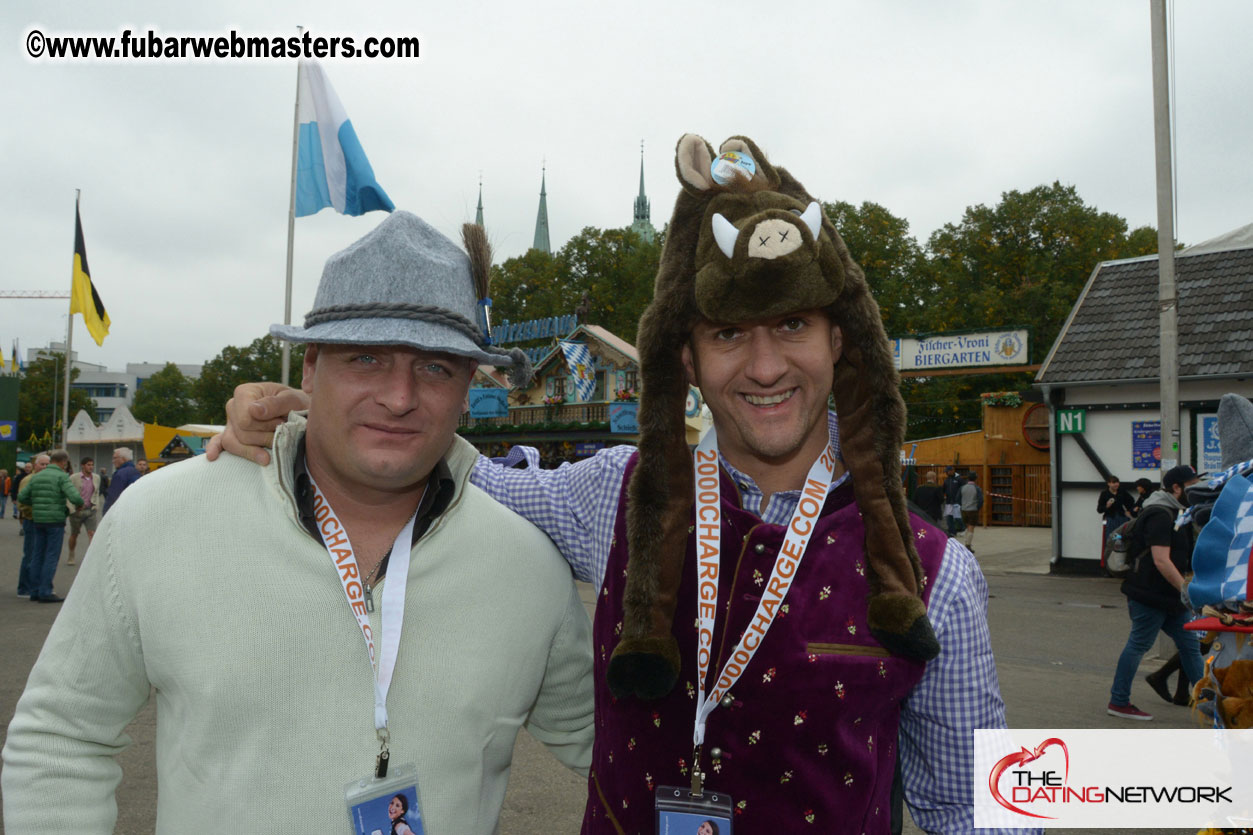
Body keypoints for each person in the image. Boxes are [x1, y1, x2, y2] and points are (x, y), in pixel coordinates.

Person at [212, 136, 1024, 834]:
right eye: (728, 333)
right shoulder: (610, 493)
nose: (766, 365)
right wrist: (297, 419)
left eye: (791, 325)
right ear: (686, 356)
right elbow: (430, 457)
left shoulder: (937, 572)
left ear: (836, 337)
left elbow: (979, 810)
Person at [1, 211, 594, 833]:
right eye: (366, 358)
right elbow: (62, 737)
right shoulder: (161, 519)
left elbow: (613, 749)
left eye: (435, 367)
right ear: (310, 369)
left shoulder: (527, 566)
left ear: (470, 385)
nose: (399, 396)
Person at [1107, 464, 1204, 720]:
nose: (1198, 490)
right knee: (1139, 645)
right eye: (1193, 486)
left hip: (1169, 597)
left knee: (1190, 647)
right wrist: (1185, 589)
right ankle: (1118, 701)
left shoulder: (1179, 512)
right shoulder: (1161, 514)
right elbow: (1161, 560)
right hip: (1149, 594)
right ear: (1176, 488)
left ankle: (1211, 703)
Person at [16, 449, 83, 603]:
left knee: (37, 555)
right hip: (55, 521)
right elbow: (75, 497)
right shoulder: (61, 476)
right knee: (51, 556)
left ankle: (34, 590)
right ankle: (45, 591)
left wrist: (37, 504)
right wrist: (78, 505)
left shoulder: (36, 477)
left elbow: (22, 497)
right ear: (63, 462)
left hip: (38, 520)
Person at [14, 457, 46, 596]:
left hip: (44, 521)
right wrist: (32, 513)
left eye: (47, 464)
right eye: (42, 464)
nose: (44, 466)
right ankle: (24, 587)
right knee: (30, 554)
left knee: (40, 554)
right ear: (35, 465)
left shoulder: (46, 479)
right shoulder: (28, 480)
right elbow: (21, 502)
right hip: (31, 520)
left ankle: (37, 585)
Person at [66, 456, 101, 566]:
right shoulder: (74, 477)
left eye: (92, 465)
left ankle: (90, 558)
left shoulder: (96, 477)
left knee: (92, 534)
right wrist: (71, 509)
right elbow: (68, 493)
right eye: (88, 465)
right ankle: (71, 554)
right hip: (77, 511)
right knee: (74, 534)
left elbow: (96, 492)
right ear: (83, 466)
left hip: (90, 510)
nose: (91, 467)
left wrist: (96, 505)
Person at [102, 447, 141, 514]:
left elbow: (113, 498)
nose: (112, 461)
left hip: (120, 512)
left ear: (123, 459)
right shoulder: (137, 472)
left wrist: (105, 514)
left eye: (115, 458)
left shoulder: (120, 474)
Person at [1097, 474, 1133, 544]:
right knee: (1111, 537)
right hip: (1110, 518)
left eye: (1117, 482)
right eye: (1113, 483)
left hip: (1122, 517)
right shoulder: (1104, 494)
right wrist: (1106, 506)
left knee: (1122, 536)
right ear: (1109, 484)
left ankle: (1121, 550)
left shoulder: (1122, 492)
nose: (1116, 484)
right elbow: (1099, 509)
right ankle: (1111, 551)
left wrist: (1129, 511)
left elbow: (1130, 501)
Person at [960, 471, 985, 552]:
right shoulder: (977, 488)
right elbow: (981, 500)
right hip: (972, 510)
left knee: (967, 527)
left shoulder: (962, 487)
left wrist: (962, 505)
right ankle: (967, 545)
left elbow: (957, 498)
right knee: (971, 527)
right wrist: (977, 508)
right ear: (976, 479)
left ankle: (967, 543)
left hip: (964, 509)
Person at [941, 465, 965, 536]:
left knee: (958, 517)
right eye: (946, 472)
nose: (947, 473)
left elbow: (963, 489)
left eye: (947, 471)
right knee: (949, 517)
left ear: (952, 471)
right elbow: (943, 490)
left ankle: (964, 529)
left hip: (957, 502)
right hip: (949, 502)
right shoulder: (946, 480)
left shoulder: (959, 479)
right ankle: (952, 532)